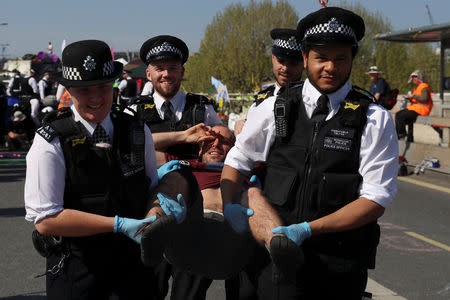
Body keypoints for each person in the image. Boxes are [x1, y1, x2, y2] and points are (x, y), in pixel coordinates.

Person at [221, 7, 398, 299]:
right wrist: (229, 204)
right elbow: (238, 161)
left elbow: (376, 199)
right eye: (321, 58)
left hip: (340, 264)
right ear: (305, 58)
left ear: (353, 59)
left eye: (341, 58)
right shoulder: (275, 108)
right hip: (276, 263)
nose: (331, 67)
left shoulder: (373, 118)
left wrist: (307, 230)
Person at [24, 40, 184, 300]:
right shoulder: (51, 141)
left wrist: (159, 210)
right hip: (78, 271)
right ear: (70, 91)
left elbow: (151, 186)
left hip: (135, 269)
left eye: (102, 87)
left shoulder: (135, 129)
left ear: (113, 85)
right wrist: (117, 225)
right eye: (85, 90)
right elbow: (46, 220)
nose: (96, 98)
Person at [143, 124, 256, 300]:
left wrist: (248, 136)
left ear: (235, 148)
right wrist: (184, 136)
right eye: (210, 140)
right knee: (175, 175)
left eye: (224, 141)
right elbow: (143, 145)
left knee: (254, 193)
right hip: (192, 229)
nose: (216, 144)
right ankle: (147, 228)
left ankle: (278, 244)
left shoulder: (246, 170)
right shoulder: (187, 165)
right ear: (200, 146)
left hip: (232, 237)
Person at [135, 35, 222, 158]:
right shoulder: (135, 109)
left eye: (172, 68)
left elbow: (223, 141)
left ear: (181, 72)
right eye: (159, 69)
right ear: (149, 75)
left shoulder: (202, 108)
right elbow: (128, 146)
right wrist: (184, 136)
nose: (166, 74)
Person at [234, 28, 304, 135]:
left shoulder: (310, 99)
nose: (285, 68)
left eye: (293, 63)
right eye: (281, 61)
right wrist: (242, 124)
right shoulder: (261, 99)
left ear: (304, 63)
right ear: (273, 58)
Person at [395, 70, 433, 142]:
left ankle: (401, 134)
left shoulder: (423, 86)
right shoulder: (416, 88)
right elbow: (417, 100)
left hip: (422, 110)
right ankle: (406, 137)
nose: (413, 79)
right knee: (398, 114)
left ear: (419, 78)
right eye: (412, 78)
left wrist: (413, 96)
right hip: (415, 109)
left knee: (401, 116)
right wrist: (410, 98)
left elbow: (425, 98)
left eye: (415, 77)